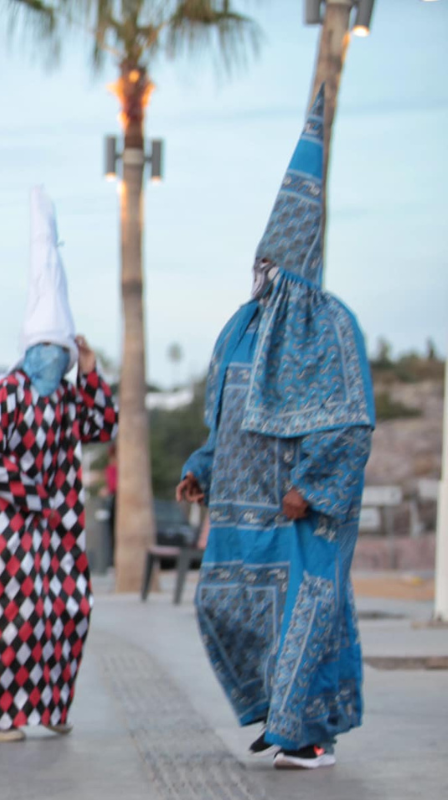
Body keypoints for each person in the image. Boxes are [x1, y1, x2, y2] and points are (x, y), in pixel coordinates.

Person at [176, 89, 374, 771]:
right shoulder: (243, 326)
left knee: (305, 621)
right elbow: (224, 417)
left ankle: (307, 733)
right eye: (259, 261)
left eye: (272, 264)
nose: (261, 273)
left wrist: (313, 486)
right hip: (239, 514)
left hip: (296, 515)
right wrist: (200, 467)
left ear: (296, 265)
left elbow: (347, 422)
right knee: (221, 608)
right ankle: (277, 716)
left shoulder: (331, 328)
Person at [0, 187, 117, 742]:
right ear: (28, 351)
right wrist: (36, 500)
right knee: (5, 621)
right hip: (2, 535)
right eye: (44, 349)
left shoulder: (70, 398)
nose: (53, 360)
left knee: (64, 614)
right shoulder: (5, 393)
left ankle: (50, 704)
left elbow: (103, 427)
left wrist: (92, 372)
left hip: (56, 537)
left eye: (62, 352)